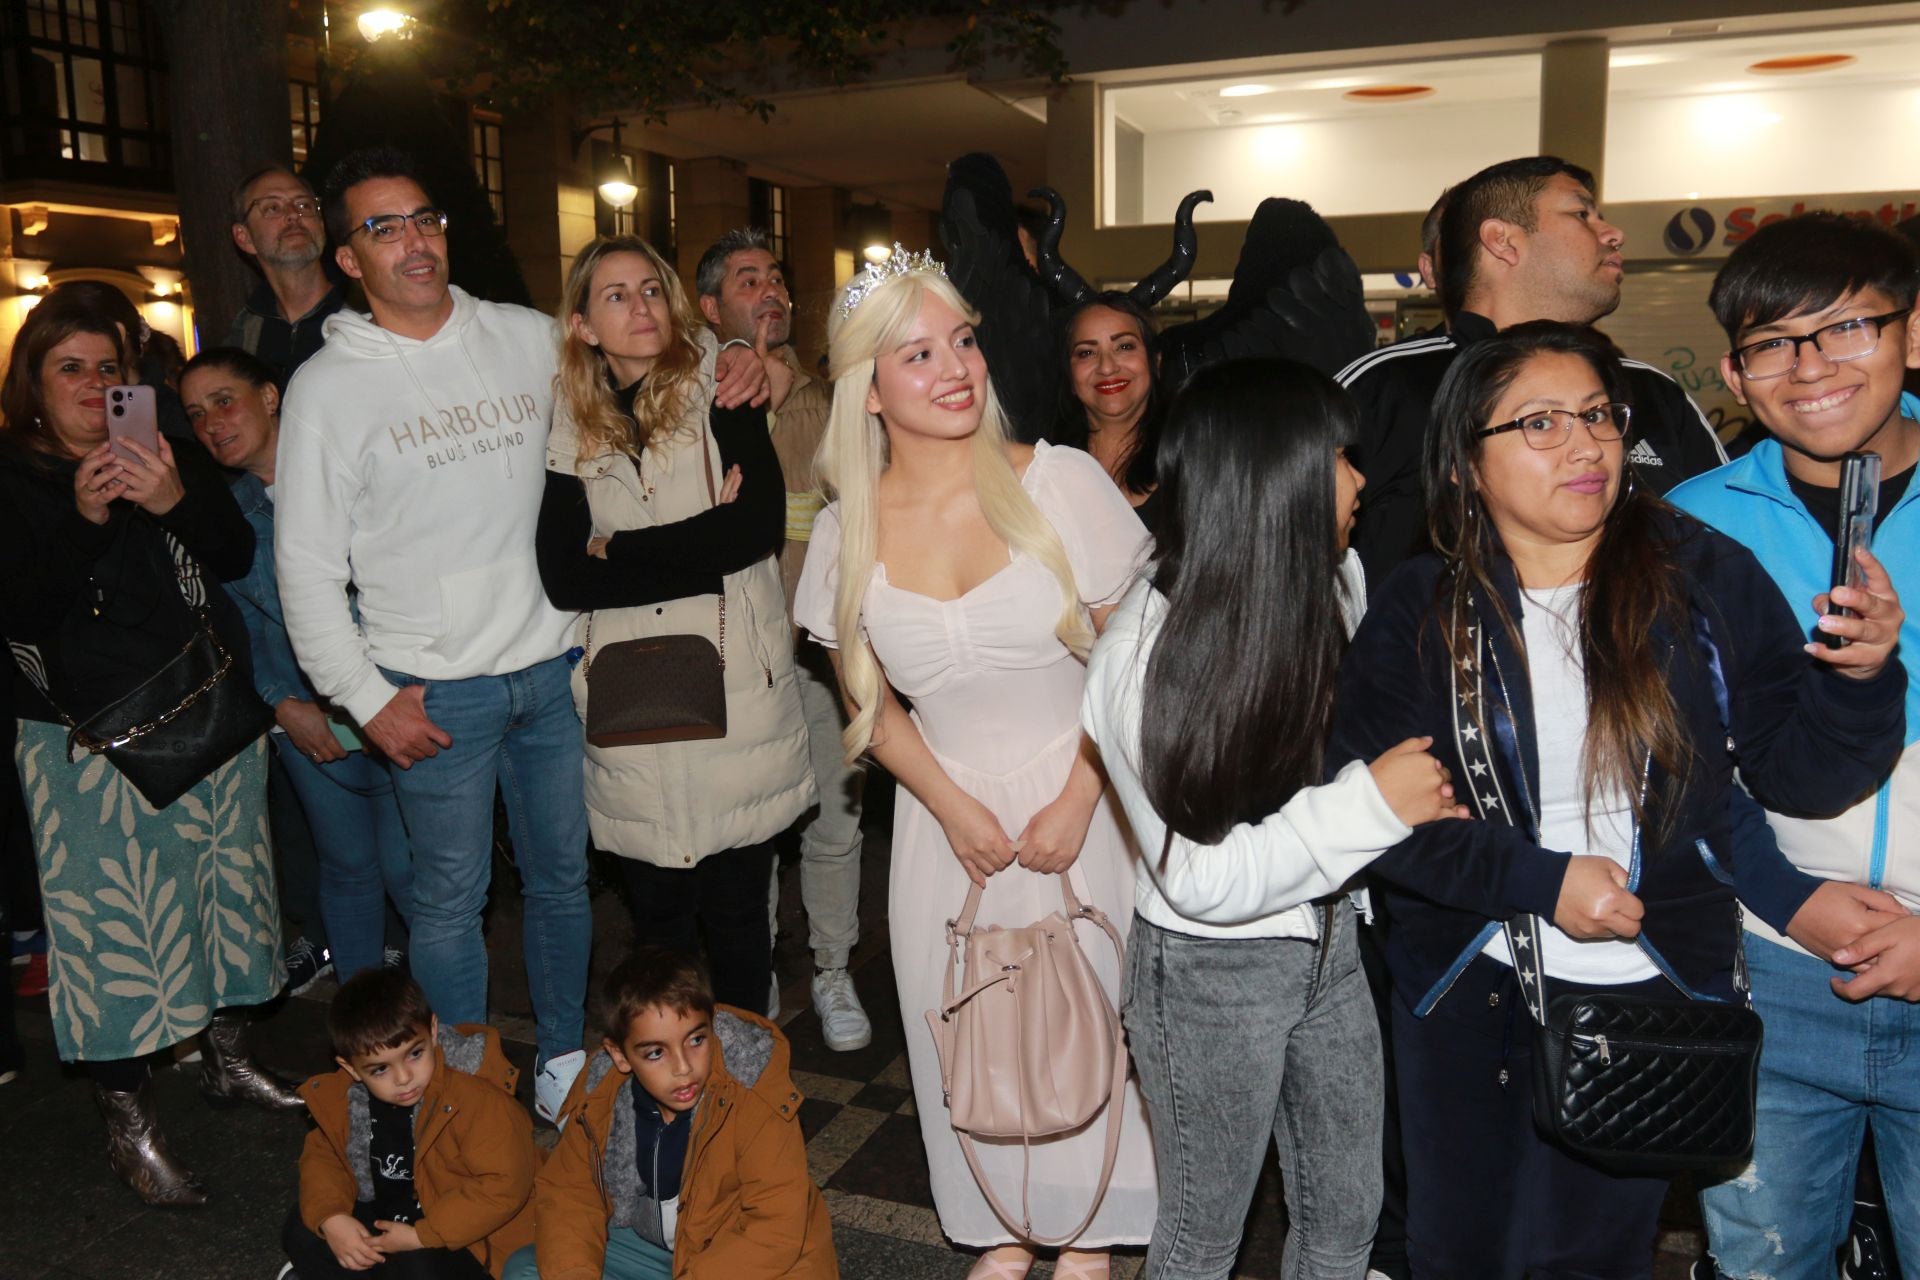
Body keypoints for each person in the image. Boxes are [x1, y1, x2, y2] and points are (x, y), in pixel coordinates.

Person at [1330, 320, 1909, 1278]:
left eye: (1597, 416)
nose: (1586, 445)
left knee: (1588, 1259)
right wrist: (1539, 881)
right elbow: (1370, 819)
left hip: (1651, 987)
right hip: (1466, 983)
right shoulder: (1421, 604)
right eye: (1542, 423)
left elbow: (1801, 777)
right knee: (1456, 1253)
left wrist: (1858, 678)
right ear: (1467, 462)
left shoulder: (1700, 573)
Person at [794, 249, 1158, 1276]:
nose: (956, 367)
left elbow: (1136, 659)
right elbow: (872, 702)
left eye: (963, 339)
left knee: (1092, 1007)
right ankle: (1001, 1215)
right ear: (869, 387)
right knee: (963, 1017)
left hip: (1082, 793)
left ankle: (1092, 1223)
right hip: (942, 811)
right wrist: (951, 807)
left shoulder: (1060, 478)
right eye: (919, 352)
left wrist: (1083, 791)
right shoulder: (841, 529)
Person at [1082, 357, 1466, 1280]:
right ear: (1273, 476)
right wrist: (1371, 806)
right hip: (1210, 974)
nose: (1362, 481)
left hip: (1331, 941)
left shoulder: (1336, 581)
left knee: (1346, 1216)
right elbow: (1202, 878)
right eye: (1339, 456)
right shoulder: (1138, 657)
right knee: (1203, 1237)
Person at [275, 144, 605, 1120]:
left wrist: (737, 358)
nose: (413, 242)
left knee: (561, 882)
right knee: (448, 903)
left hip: (552, 669)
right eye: (383, 228)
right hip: (433, 692)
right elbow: (304, 568)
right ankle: (464, 1081)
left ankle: (562, 1060)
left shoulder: (524, 334)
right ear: (348, 259)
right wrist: (368, 700)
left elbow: (638, 370)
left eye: (423, 219)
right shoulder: (328, 389)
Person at [0, 285, 299, 1207]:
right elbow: (18, 614)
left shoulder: (159, 452)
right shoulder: (12, 476)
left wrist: (172, 498)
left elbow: (234, 559)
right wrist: (86, 526)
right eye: (72, 369)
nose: (95, 388)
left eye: (111, 370)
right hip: (86, 747)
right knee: (116, 937)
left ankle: (225, 1060)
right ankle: (130, 1125)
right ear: (33, 384)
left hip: (205, 715)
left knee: (227, 903)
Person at [1667, 212, 1920, 1280]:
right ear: (1735, 368)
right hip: (1768, 972)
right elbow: (1669, 761)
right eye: (1775, 342)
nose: (1811, 367)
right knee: (1762, 1262)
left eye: (1849, 327)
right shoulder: (1687, 523)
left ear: (1912, 332)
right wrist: (1789, 902)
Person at [537, 234, 811, 1016]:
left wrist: (613, 549)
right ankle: (673, 1091)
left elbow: (750, 530)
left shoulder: (721, 386)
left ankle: (751, 1094)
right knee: (657, 928)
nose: (640, 307)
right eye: (616, 295)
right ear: (584, 325)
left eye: (651, 289)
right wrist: (695, 545)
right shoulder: (571, 418)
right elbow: (561, 575)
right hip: (631, 704)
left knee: (738, 924)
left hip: (736, 696)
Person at [1337, 156, 1728, 585]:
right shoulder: (1381, 388)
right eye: (1582, 214)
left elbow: (1730, 548)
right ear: (1503, 241)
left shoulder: (1653, 392)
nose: (1614, 233)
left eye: (1597, 416)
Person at [181, 346, 413, 985]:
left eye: (224, 401)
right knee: (347, 867)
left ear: (272, 396)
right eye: (196, 415)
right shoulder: (225, 515)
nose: (212, 425)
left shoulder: (355, 472)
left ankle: (444, 1032)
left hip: (395, 698)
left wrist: (384, 692)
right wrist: (283, 704)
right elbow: (233, 624)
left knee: (410, 869)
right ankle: (367, 1032)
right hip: (301, 715)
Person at [693, 227, 871, 1049]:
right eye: (745, 280)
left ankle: (832, 968)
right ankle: (753, 981)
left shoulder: (830, 398)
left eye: (775, 278)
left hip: (819, 643)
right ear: (708, 306)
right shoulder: (683, 397)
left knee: (834, 822)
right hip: (730, 655)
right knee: (753, 832)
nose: (768, 291)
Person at [503, 946, 837, 1280]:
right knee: (527, 1269)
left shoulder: (753, 1091)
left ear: (713, 1028)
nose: (683, 1068)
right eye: (655, 1053)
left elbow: (775, 1225)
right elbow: (570, 1195)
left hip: (739, 1255)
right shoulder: (601, 1095)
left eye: (696, 1041)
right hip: (648, 1247)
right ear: (620, 1056)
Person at [285, 968, 537, 1279]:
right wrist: (333, 1218)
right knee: (302, 1229)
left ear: (432, 1030)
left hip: (459, 1231)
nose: (403, 1079)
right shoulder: (346, 1098)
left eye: (414, 1054)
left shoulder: (477, 1099)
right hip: (388, 1218)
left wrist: (422, 1235)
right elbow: (324, 1159)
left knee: (416, 1267)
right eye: (379, 1070)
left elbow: (504, 1185)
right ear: (350, 1068)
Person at [1054, 291, 1166, 531]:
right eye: (1087, 352)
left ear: (1155, 363)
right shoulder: (1044, 468)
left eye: (1124, 346)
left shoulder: (1191, 459)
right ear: (1070, 377)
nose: (1106, 367)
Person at [226, 166, 348, 384]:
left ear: (321, 224)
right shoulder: (243, 340)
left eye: (304, 205)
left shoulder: (368, 313)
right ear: (244, 238)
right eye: (272, 207)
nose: (293, 214)